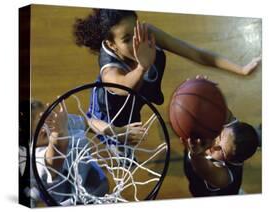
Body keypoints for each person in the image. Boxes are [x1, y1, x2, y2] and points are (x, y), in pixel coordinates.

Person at [73, 9, 261, 127]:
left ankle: (150, 92)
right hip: (114, 113)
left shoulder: (147, 33)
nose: (137, 41)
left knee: (149, 75)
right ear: (112, 45)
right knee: (125, 138)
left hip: (143, 91)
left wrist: (241, 70)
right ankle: (121, 153)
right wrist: (142, 67)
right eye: (126, 39)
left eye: (136, 29)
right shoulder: (109, 72)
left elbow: (196, 54)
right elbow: (124, 86)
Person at [19, 100, 146, 206]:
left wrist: (117, 132)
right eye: (41, 128)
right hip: (73, 202)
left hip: (92, 185)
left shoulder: (57, 124)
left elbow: (87, 123)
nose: (49, 126)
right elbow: (54, 161)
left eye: (48, 117)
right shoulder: (36, 157)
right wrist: (59, 134)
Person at [182, 117, 259, 197]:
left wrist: (195, 153)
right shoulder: (229, 129)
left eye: (222, 152)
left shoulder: (225, 177)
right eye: (219, 136)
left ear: (233, 161)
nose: (214, 146)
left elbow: (206, 170)